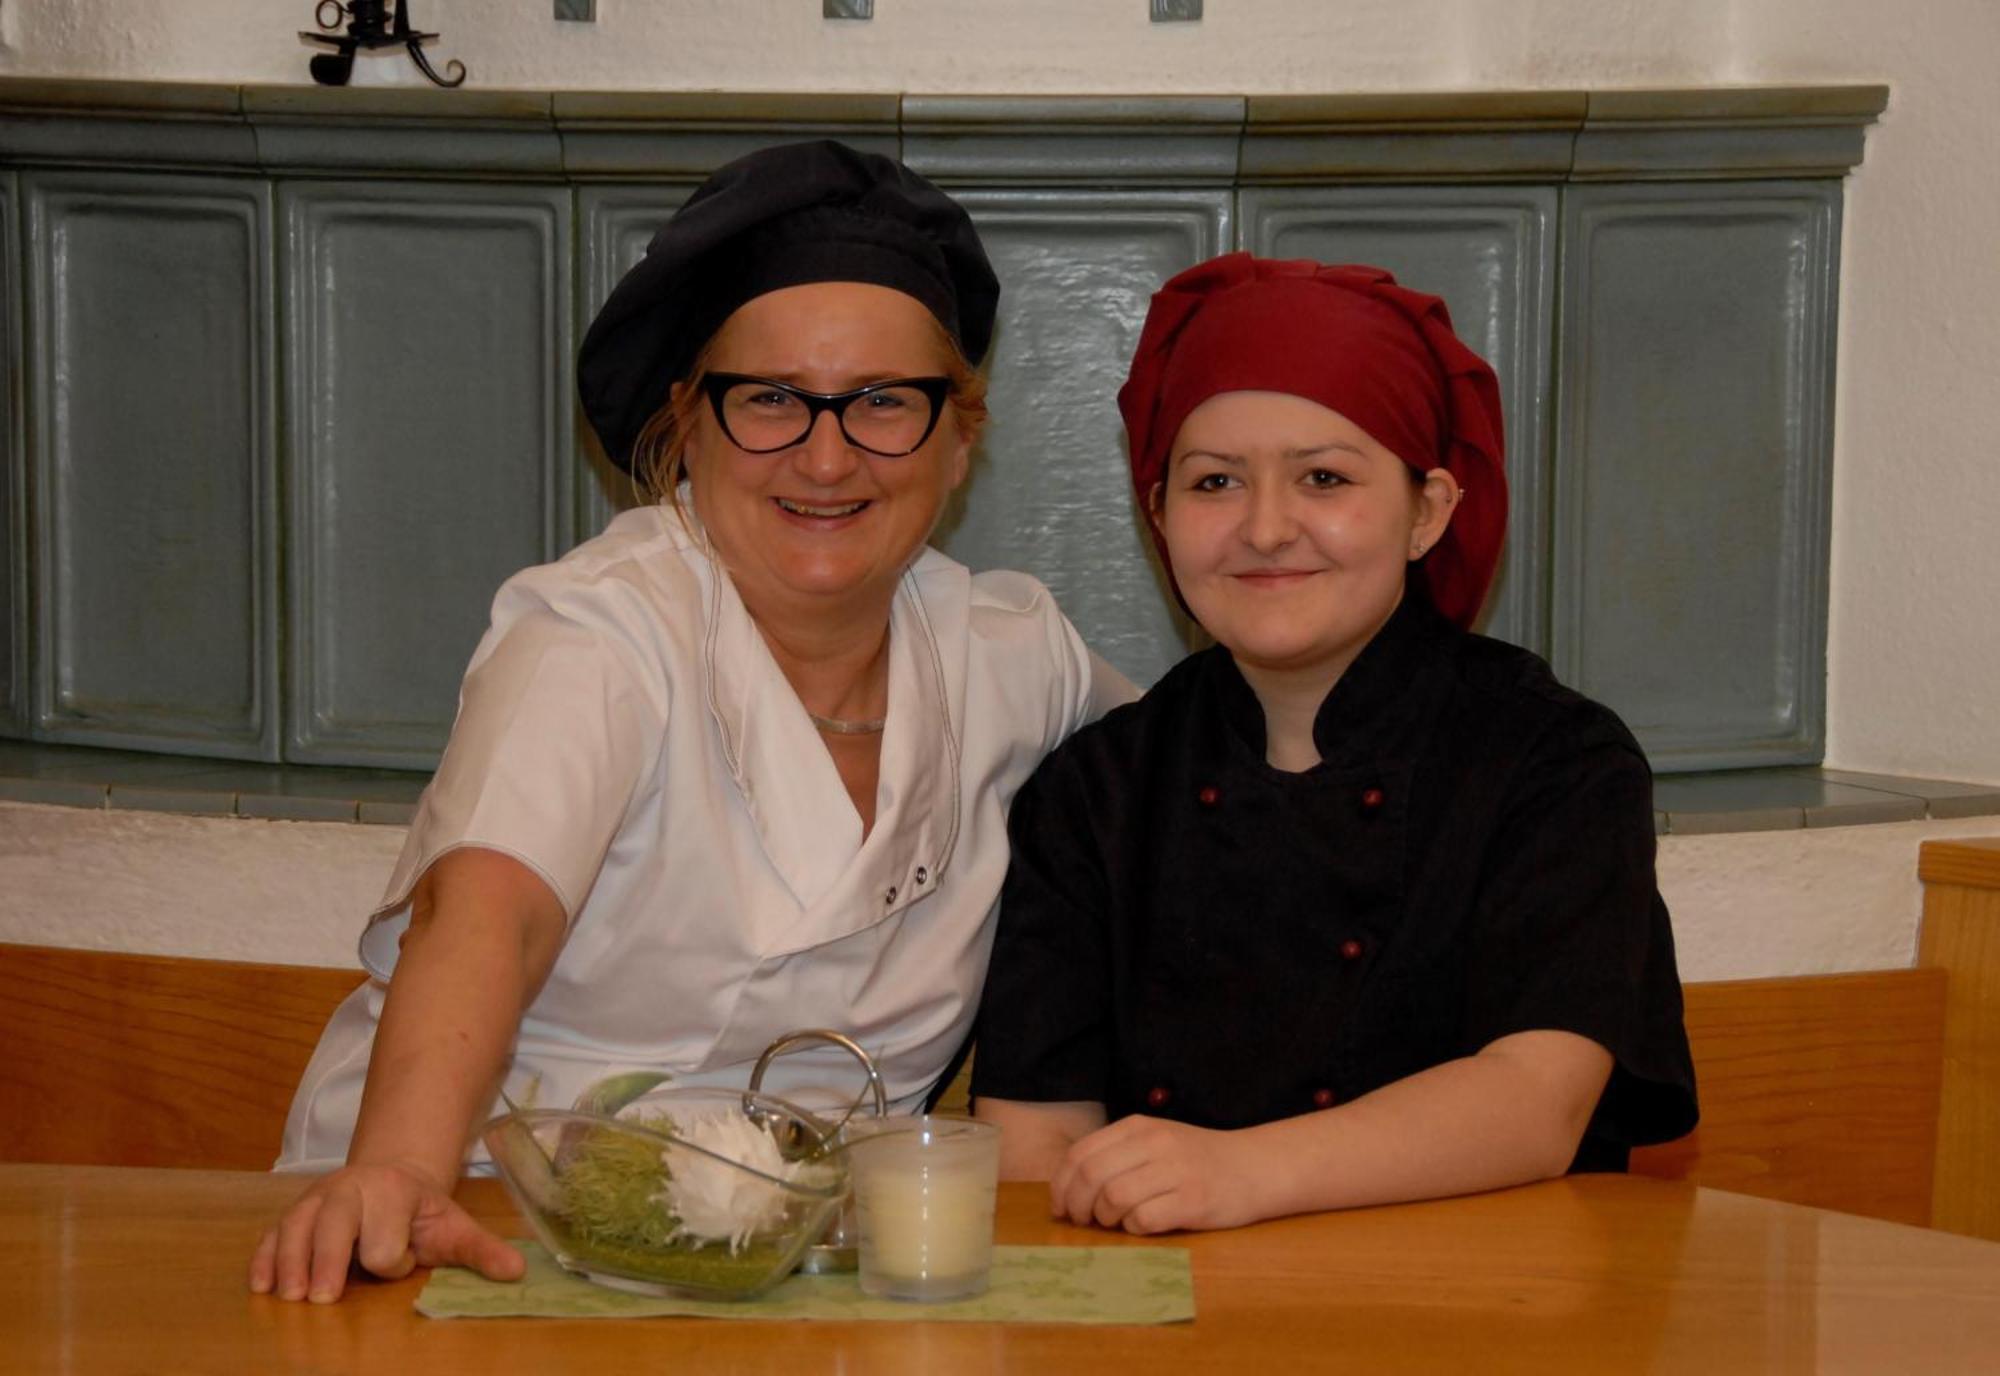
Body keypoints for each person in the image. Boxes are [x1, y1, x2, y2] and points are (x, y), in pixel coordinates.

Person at [250, 140, 1130, 1303]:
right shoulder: (600, 633)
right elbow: (487, 915)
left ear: (957, 438)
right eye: (768, 399)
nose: (825, 455)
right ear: (691, 424)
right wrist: (398, 1168)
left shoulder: (1012, 653)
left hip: (810, 1272)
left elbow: (1200, 772)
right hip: (478, 1227)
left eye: (882, 402)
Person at [971, 253, 1698, 1235]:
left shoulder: (1551, 762)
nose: (1265, 527)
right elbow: (1033, 1134)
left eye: (1323, 477)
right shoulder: (1094, 790)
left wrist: (1232, 1173)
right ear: (1159, 516)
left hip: (1491, 1309)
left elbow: (1536, 1103)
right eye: (1213, 481)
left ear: (1426, 509)